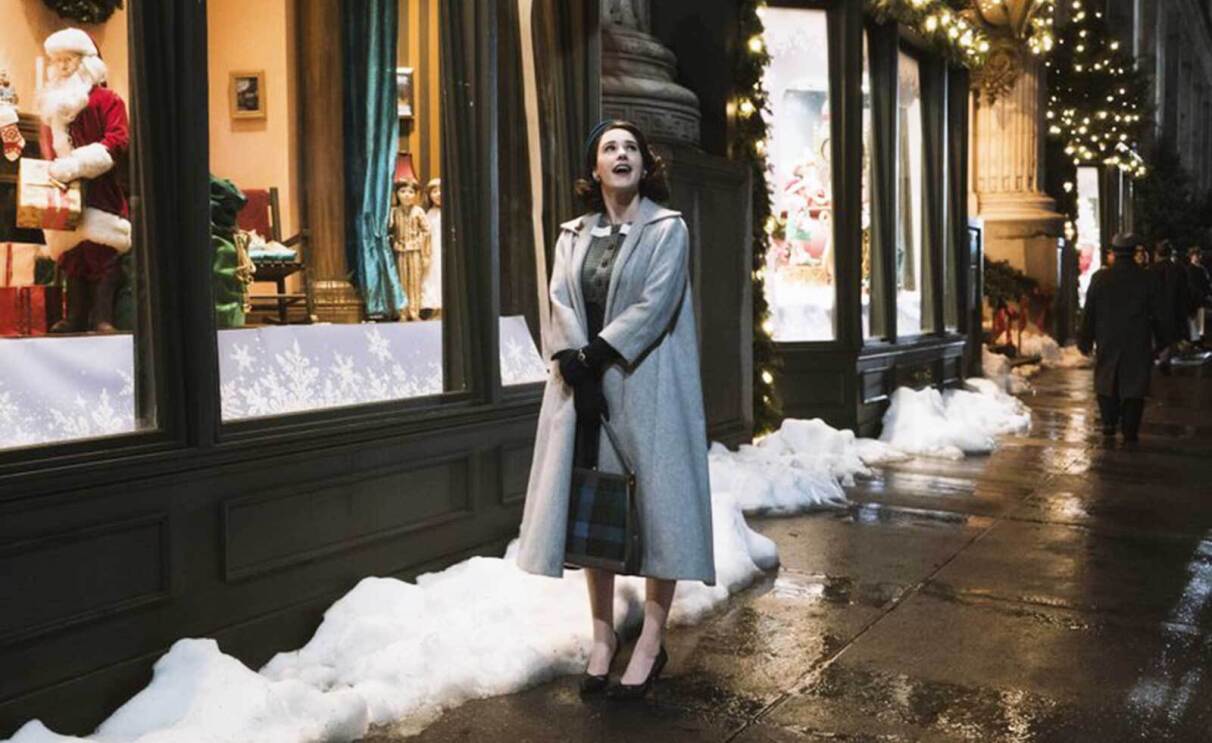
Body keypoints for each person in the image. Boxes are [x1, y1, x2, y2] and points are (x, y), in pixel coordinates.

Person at [516, 120, 714, 700]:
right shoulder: (572, 235)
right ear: (595, 169)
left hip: (645, 385)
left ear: (643, 165)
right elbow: (558, 298)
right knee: (592, 509)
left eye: (631, 148)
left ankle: (651, 641)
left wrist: (598, 353)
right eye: (610, 148)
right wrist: (575, 361)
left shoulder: (667, 229)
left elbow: (657, 303)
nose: (621, 155)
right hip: (586, 390)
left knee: (661, 511)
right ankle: (602, 638)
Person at [36, 28, 131, 333]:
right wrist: (52, 171)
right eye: (59, 60)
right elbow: (47, 146)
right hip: (63, 191)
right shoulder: (52, 108)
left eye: (70, 60)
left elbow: (117, 140)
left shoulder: (108, 100)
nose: (63, 66)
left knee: (103, 249)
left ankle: (103, 316)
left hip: (101, 191)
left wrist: (77, 165)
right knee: (71, 254)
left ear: (86, 62)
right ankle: (76, 314)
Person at [1079, 233, 1167, 443]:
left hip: (1107, 337)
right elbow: (1158, 312)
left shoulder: (1101, 278)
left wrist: (1085, 338)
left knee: (1106, 378)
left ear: (1114, 253)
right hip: (1137, 339)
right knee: (1134, 384)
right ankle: (1130, 429)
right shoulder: (1147, 278)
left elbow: (1089, 312)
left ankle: (1109, 422)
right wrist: (1162, 341)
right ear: (1134, 252)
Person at [388, 176, 430, 321]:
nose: (407, 195)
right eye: (403, 191)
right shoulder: (394, 212)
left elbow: (426, 231)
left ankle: (414, 311)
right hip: (400, 251)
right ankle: (402, 312)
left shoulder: (418, 211)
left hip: (415, 251)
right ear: (397, 194)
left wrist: (424, 252)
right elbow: (390, 229)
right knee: (401, 281)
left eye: (411, 192)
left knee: (415, 281)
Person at [1148, 240, 1190, 372]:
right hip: (1174, 309)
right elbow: (1185, 292)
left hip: (1157, 310)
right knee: (1171, 336)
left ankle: (1161, 358)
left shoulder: (1152, 270)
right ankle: (1165, 358)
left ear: (1157, 254)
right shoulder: (1179, 269)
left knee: (1159, 336)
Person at [1184, 245, 1210, 344]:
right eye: (1195, 255)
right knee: (1194, 322)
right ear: (1191, 256)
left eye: (1198, 255)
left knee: (1200, 322)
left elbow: (1206, 283)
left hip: (1200, 299)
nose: (1197, 257)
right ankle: (1196, 341)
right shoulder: (1189, 269)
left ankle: (1199, 340)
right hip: (1193, 299)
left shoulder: (1202, 269)